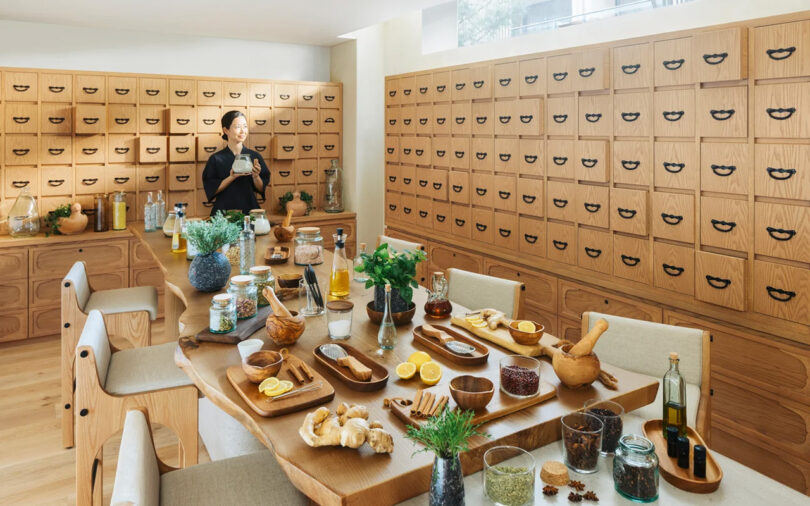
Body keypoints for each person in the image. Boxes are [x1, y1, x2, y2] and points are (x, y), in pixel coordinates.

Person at [202, 110, 270, 215]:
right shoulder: (216, 159)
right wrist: (232, 177)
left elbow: (261, 188)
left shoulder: (255, 156)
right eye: (238, 127)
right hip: (224, 213)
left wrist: (256, 176)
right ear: (226, 130)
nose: (243, 131)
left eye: (245, 126)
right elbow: (212, 190)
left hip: (249, 210)